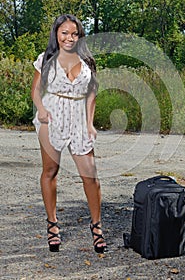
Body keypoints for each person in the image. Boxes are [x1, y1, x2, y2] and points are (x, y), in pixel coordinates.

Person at [31, 14, 107, 253]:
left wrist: (90, 123)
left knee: (90, 176)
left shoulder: (87, 61)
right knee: (50, 171)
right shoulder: (45, 60)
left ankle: (97, 227)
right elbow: (35, 90)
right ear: (56, 34)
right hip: (51, 118)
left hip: (78, 119)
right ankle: (52, 225)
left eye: (74, 33)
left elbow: (91, 94)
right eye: (64, 32)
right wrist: (41, 110)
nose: (69, 38)